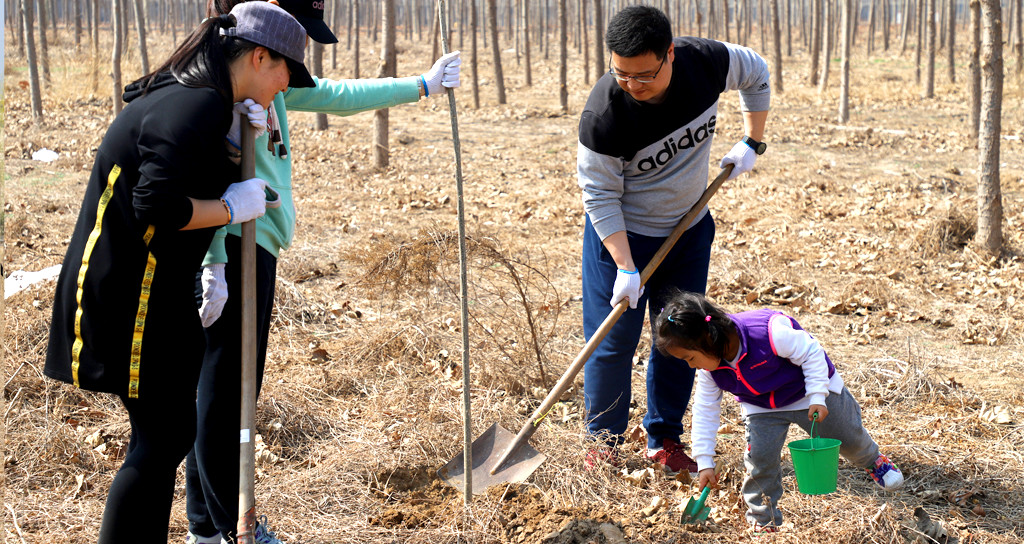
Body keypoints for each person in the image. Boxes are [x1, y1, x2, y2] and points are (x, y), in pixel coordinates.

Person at [184, 2, 462, 543]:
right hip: (235, 242)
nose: (294, 69)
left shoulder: (270, 78)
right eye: (293, 45)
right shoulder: (231, 83)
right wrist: (214, 259)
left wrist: (421, 86)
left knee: (223, 393)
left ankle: (206, 529)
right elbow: (206, 174)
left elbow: (337, 94)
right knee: (224, 397)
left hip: (256, 241)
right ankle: (228, 528)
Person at [42, 3, 313, 542]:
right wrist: (231, 208)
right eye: (286, 71)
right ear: (259, 57)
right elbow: (156, 205)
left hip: (152, 284)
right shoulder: (197, 102)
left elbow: (183, 170)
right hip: (127, 287)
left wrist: (232, 147)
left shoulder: (209, 99)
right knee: (163, 435)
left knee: (167, 432)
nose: (287, 86)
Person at [577, 4, 770, 473]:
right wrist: (626, 266)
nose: (632, 84)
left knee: (679, 338)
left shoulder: (706, 62)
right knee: (612, 342)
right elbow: (599, 195)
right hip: (623, 238)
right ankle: (603, 443)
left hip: (687, 231)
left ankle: (664, 438)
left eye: (644, 74)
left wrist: (752, 140)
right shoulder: (604, 115)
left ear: (670, 55)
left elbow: (757, 72)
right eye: (621, 73)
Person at [653, 290, 904, 533]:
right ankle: (763, 518)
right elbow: (705, 410)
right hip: (761, 406)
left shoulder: (768, 333)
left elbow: (811, 352)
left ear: (708, 338)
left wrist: (818, 395)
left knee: (846, 435)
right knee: (760, 460)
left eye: (689, 358)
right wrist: (704, 461)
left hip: (807, 392)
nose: (691, 366)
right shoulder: (710, 370)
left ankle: (873, 460)